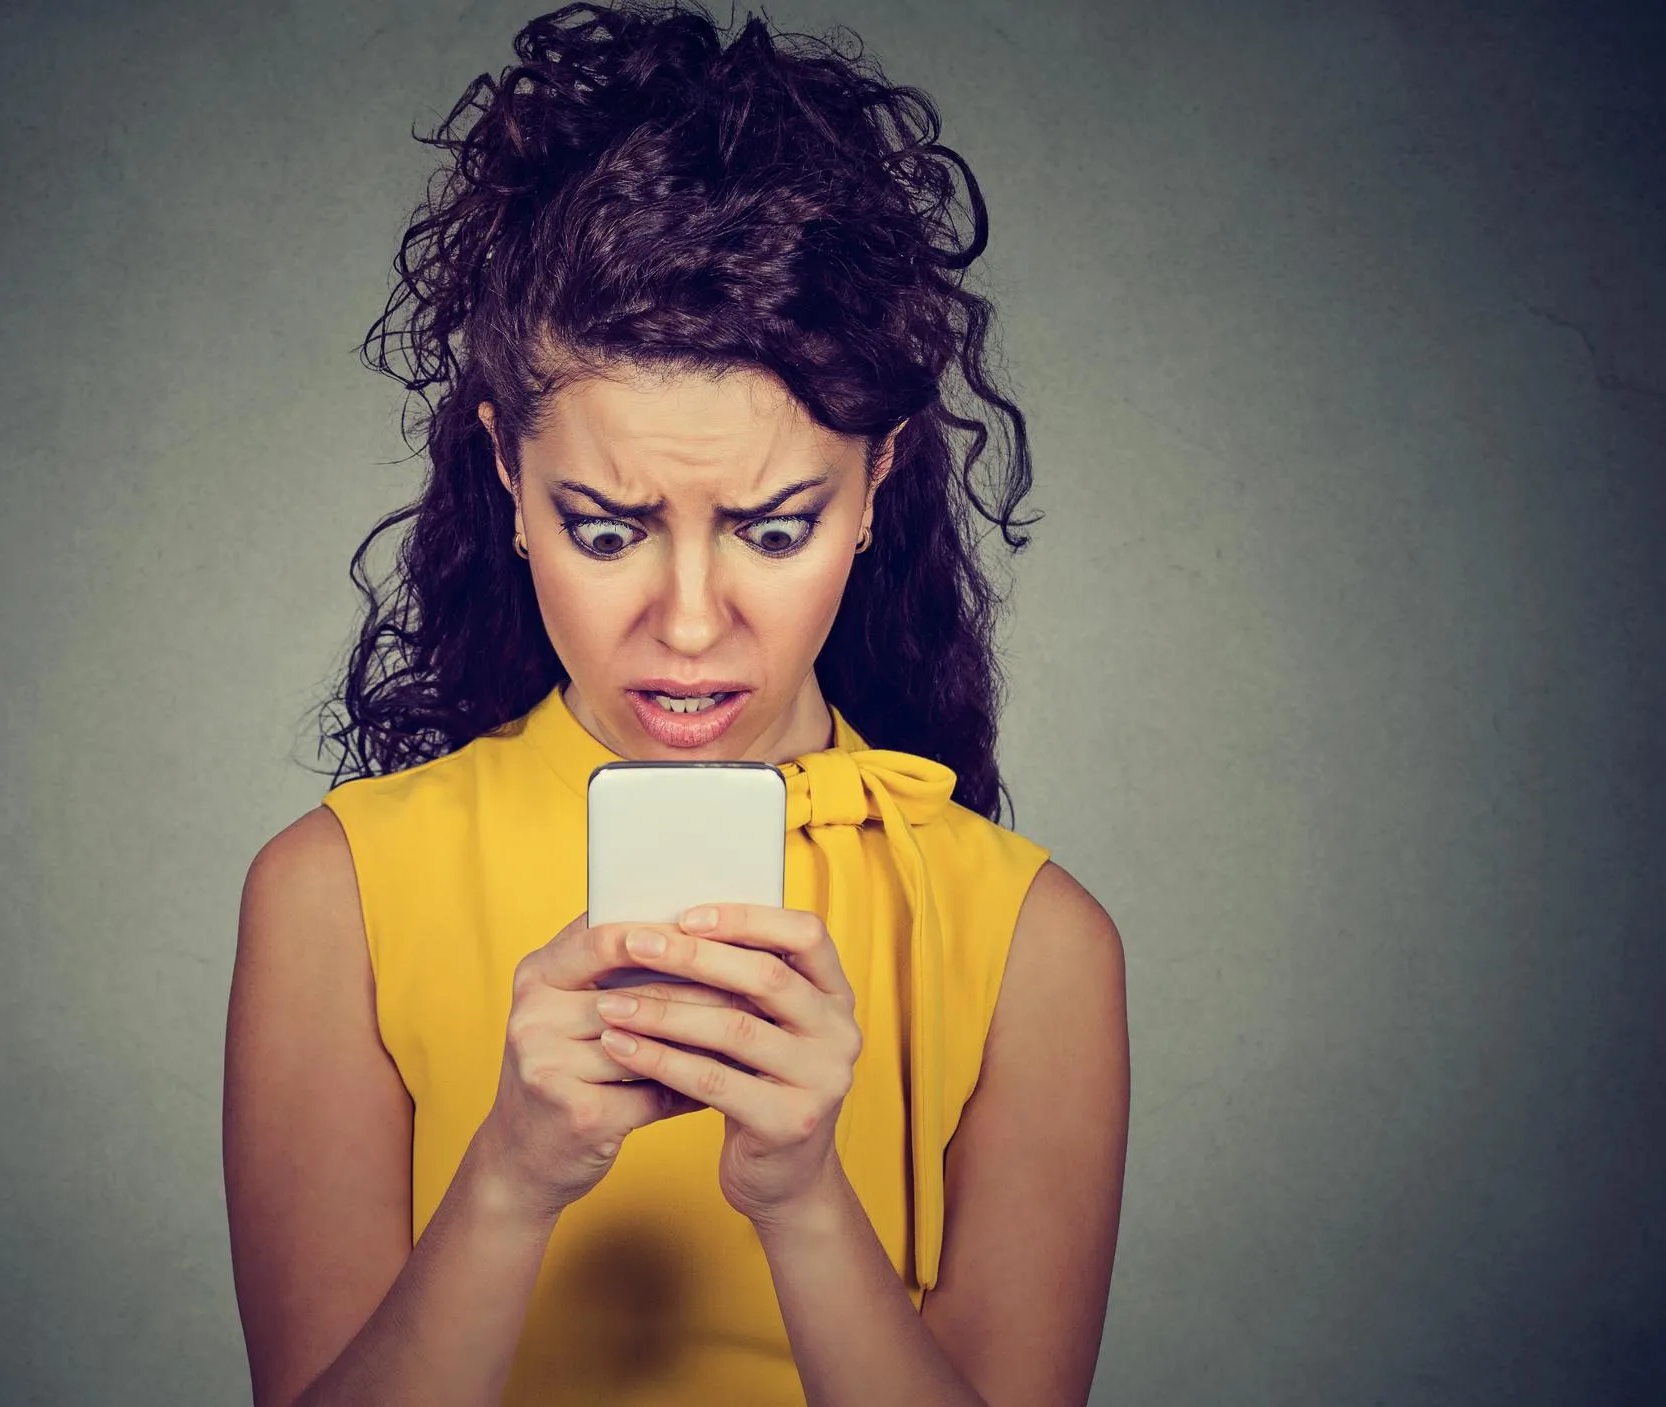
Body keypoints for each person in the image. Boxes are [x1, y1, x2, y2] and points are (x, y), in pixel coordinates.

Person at [222, 4, 1130, 1404]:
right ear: (508, 480)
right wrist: (512, 1179)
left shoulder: (1037, 948)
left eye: (774, 529)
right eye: (604, 528)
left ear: (879, 483)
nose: (691, 625)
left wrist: (803, 1197)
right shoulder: (330, 894)